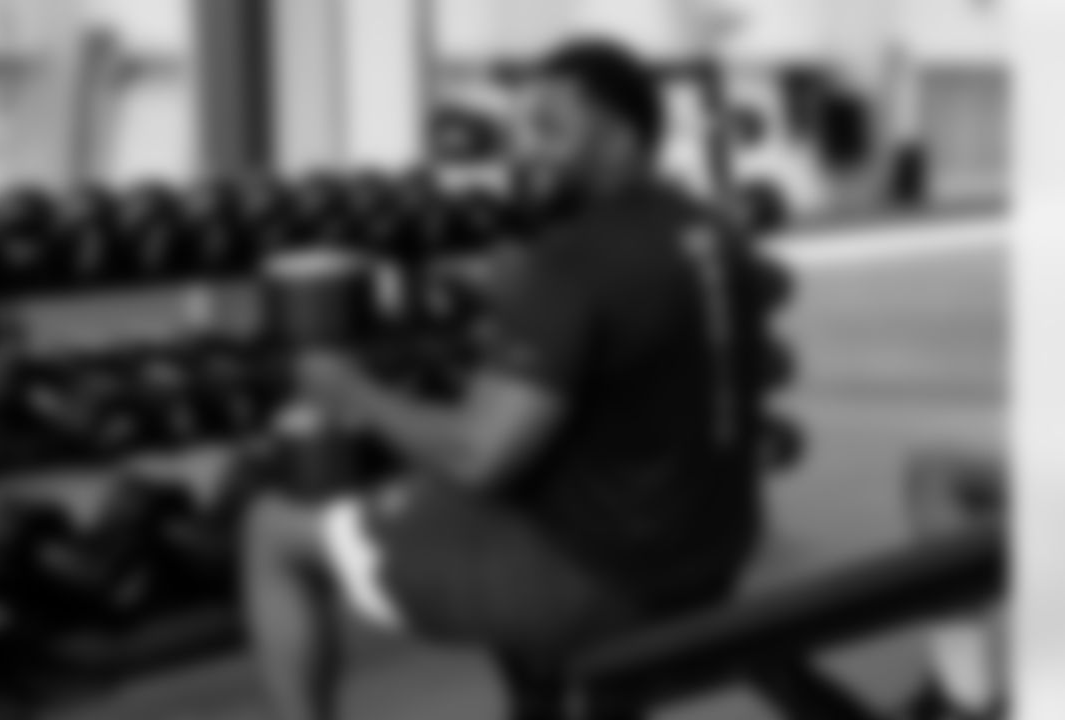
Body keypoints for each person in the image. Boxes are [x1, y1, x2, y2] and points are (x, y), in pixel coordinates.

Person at [239, 38, 761, 720]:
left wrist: (354, 392)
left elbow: (476, 456)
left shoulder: (572, 262)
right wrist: (524, 305)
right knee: (450, 508)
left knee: (273, 532)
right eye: (522, 129)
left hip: (602, 585)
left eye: (551, 129)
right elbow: (641, 345)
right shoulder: (712, 233)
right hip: (710, 561)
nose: (526, 150)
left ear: (621, 136)